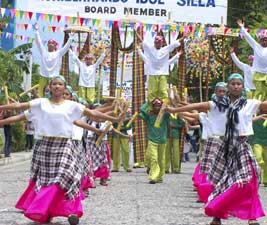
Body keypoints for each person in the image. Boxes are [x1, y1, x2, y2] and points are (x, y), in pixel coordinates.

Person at [166, 73, 267, 225]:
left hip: (242, 146)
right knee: (222, 183)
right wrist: (174, 110)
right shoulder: (216, 104)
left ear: (242, 87)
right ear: (228, 86)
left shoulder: (249, 103)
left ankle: (252, 217)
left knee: (250, 180)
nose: (236, 86)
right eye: (233, 84)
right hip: (224, 147)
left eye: (239, 84)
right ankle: (217, 216)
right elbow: (197, 106)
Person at [0, 75, 121, 225]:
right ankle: (48, 211)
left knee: (65, 176)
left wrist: (114, 120)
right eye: (54, 84)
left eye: (60, 84)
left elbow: (93, 113)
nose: (57, 86)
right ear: (50, 87)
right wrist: (2, 110)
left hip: (65, 146)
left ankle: (69, 210)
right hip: (46, 146)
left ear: (64, 88)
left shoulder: (72, 106)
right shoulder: (40, 103)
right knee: (47, 181)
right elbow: (18, 108)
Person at [136, 31, 186, 102]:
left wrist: (183, 38)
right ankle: (151, 108)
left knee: (163, 92)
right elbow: (142, 41)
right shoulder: (150, 49)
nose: (158, 44)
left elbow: (174, 44)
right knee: (152, 93)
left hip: (162, 74)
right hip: (152, 74)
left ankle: (164, 107)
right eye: (156, 43)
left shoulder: (165, 49)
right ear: (154, 43)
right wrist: (136, 33)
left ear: (162, 43)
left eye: (159, 43)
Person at [34, 23, 74, 97]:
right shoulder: (43, 52)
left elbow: (66, 47)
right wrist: (36, 31)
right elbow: (38, 42)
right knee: (41, 94)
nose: (50, 44)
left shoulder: (58, 53)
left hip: (54, 76)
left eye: (52, 43)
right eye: (49, 43)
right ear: (47, 44)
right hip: (43, 75)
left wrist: (70, 38)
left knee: (53, 93)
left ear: (55, 45)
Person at [140, 98, 170, 184]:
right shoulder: (149, 116)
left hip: (162, 141)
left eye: (159, 105)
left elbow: (171, 109)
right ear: (152, 106)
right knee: (154, 159)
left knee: (161, 160)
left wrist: (164, 103)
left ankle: (160, 177)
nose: (157, 107)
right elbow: (141, 110)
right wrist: (149, 101)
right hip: (152, 141)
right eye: (155, 105)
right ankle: (153, 177)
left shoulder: (164, 115)